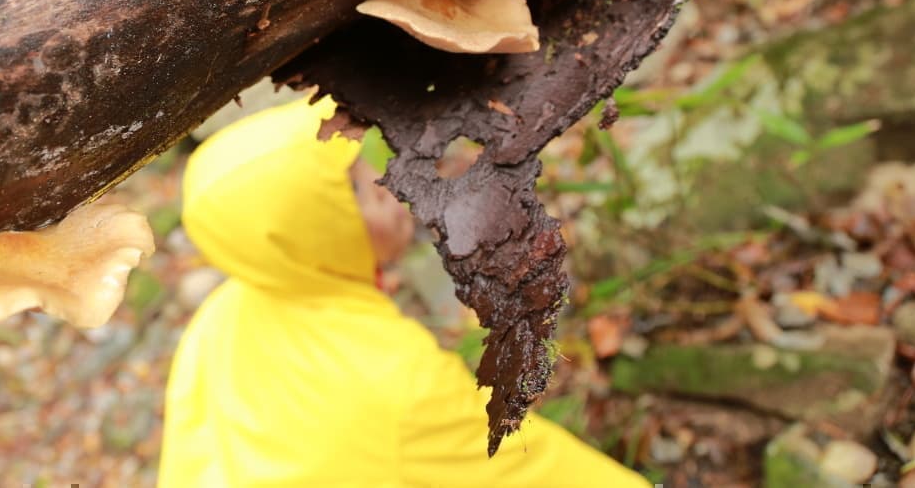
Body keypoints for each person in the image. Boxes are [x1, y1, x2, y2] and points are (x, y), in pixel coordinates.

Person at [158, 96, 647, 487]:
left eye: (359, 167)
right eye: (353, 191)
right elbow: (536, 474)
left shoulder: (217, 319)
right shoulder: (396, 380)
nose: (383, 184)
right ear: (313, 237)